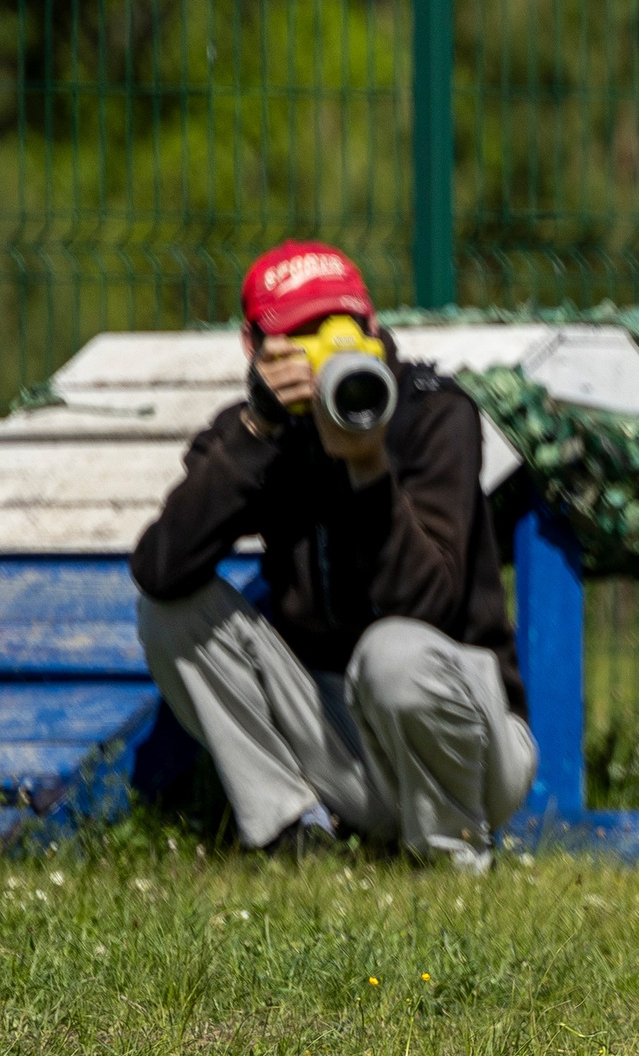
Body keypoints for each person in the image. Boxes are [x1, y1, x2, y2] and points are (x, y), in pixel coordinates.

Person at [130, 242, 533, 872]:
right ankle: (294, 832)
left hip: (474, 743)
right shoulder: (257, 430)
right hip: (337, 734)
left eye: (342, 326)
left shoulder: (435, 414)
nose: (328, 350)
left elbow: (429, 606)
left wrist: (369, 466)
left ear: (372, 328)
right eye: (303, 334)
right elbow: (160, 570)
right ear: (254, 348)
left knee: (394, 653)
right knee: (168, 611)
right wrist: (259, 429)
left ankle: (453, 855)